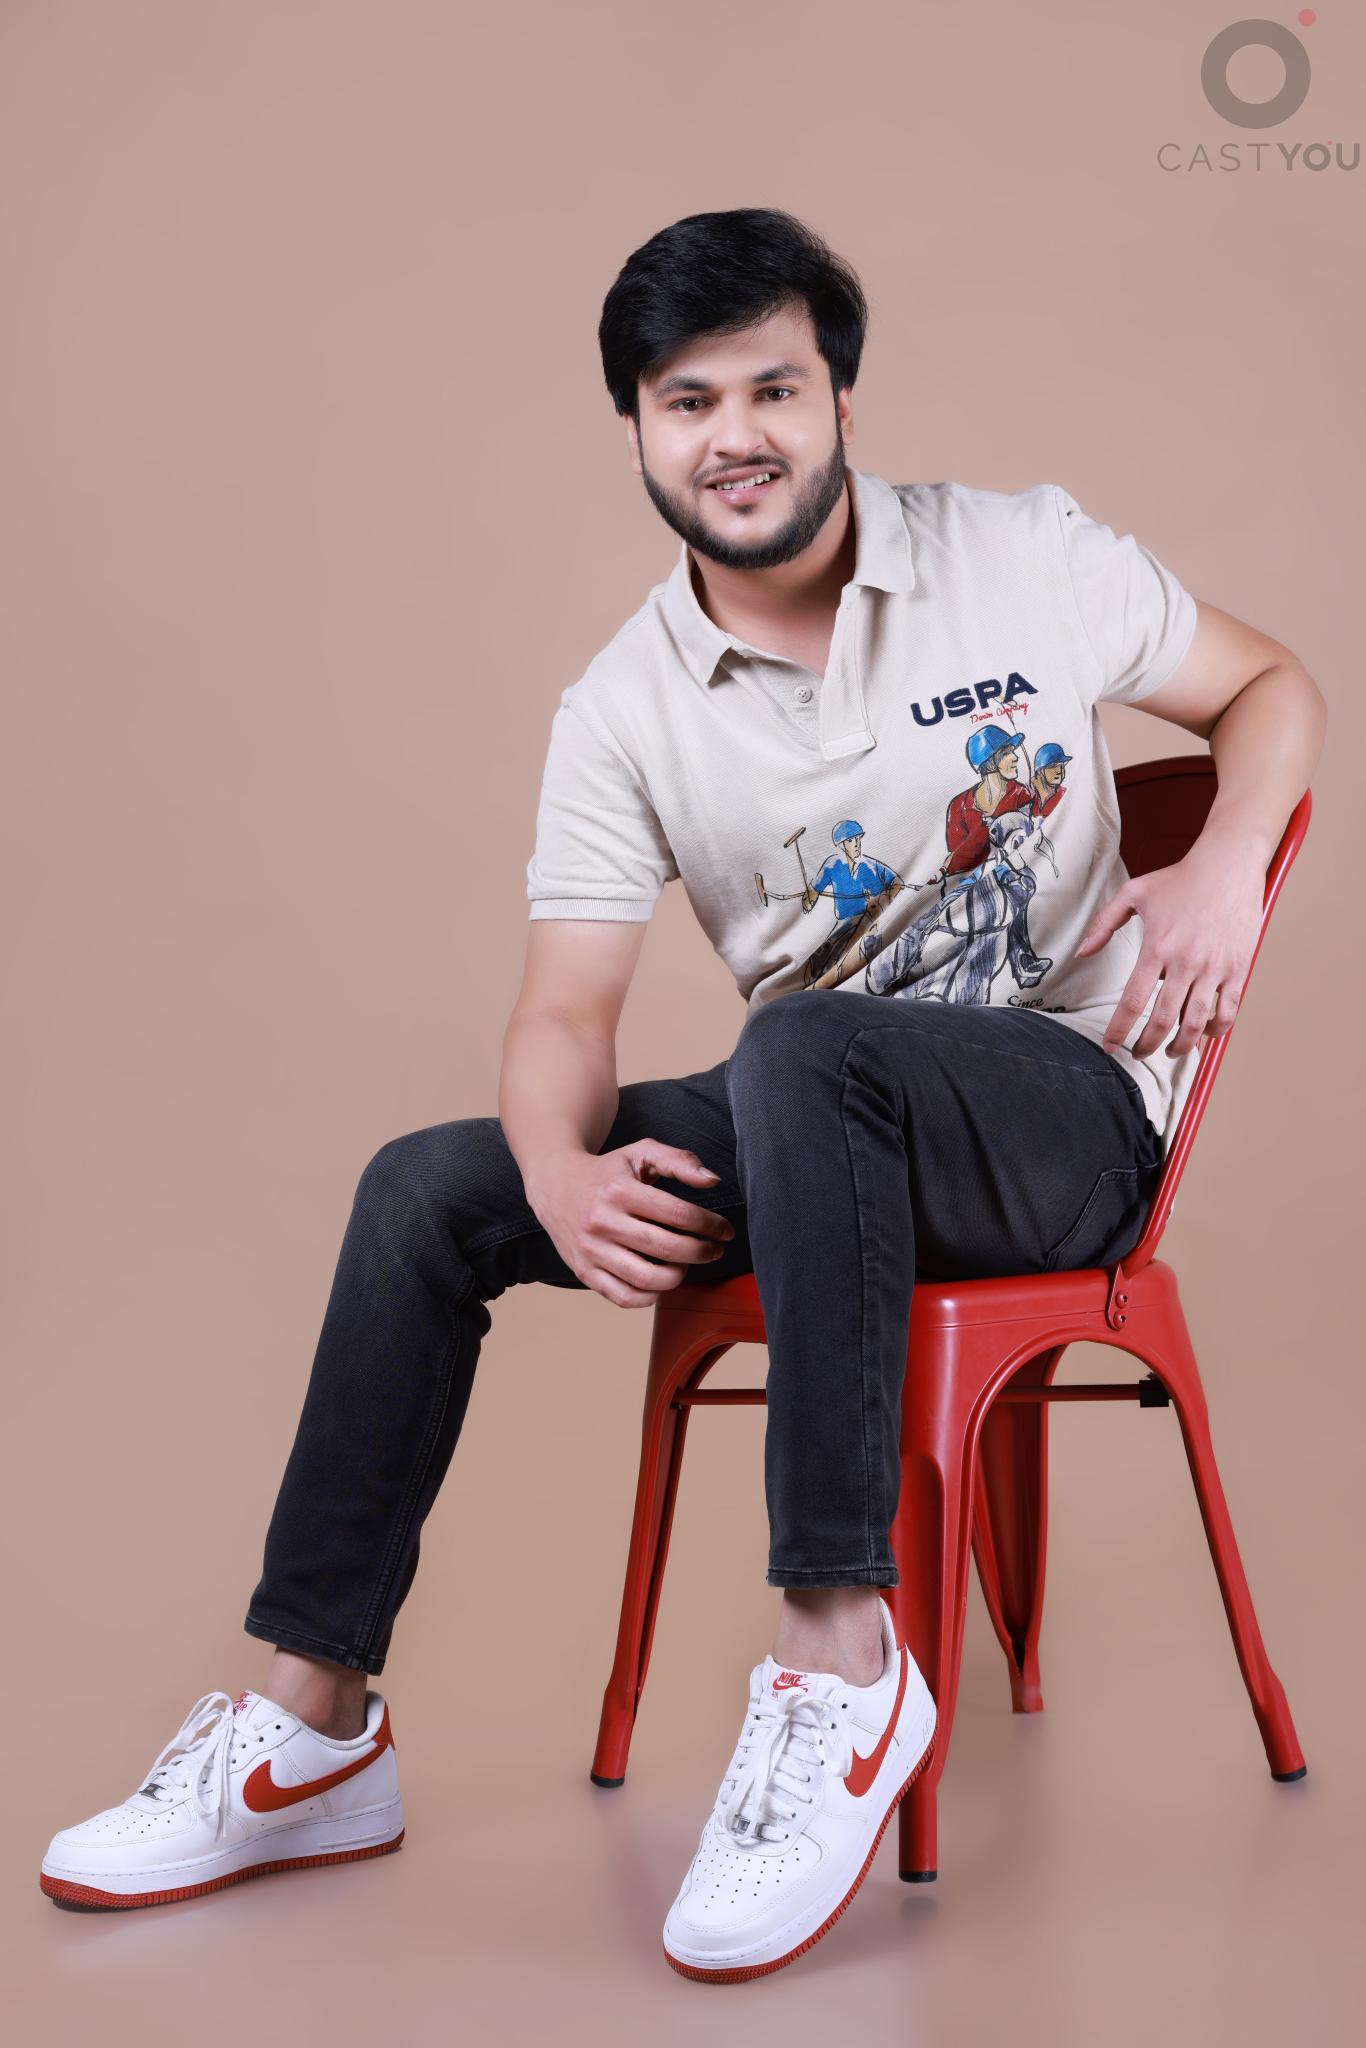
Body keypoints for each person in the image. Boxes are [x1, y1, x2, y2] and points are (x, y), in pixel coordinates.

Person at [40, 207, 1325, 1981]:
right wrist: (555, 1174)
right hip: (823, 1129)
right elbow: (562, 1013)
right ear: (638, 432)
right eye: (687, 400)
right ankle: (311, 1730)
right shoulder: (624, 705)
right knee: (430, 1189)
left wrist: (1226, 860)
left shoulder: (1020, 554)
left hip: (1065, 1116)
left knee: (797, 1045)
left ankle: (840, 1660)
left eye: (773, 389)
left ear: (841, 401)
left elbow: (1268, 686)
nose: (736, 434)